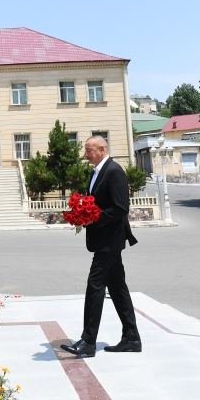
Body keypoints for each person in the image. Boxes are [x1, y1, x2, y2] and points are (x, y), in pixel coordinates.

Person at [61, 136, 141, 358]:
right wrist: (81, 211)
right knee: (117, 288)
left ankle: (88, 342)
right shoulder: (97, 171)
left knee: (95, 285)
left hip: (110, 240)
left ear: (102, 149)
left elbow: (120, 208)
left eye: (89, 150)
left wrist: (91, 218)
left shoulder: (114, 171)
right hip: (104, 239)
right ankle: (132, 338)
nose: (86, 154)